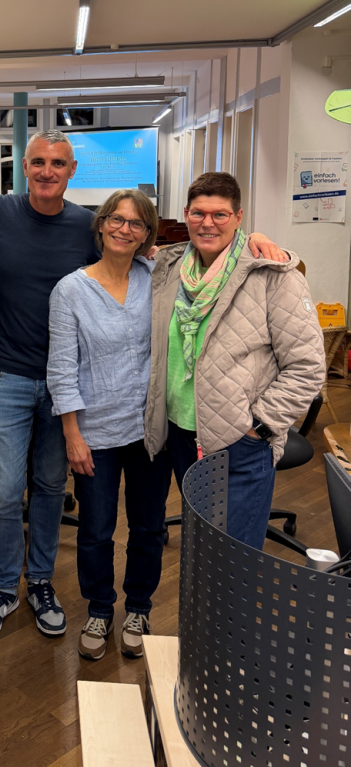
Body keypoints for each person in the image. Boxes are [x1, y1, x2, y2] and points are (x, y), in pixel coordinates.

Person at [0, 132, 282, 642]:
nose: (47, 171)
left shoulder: (97, 234)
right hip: (10, 379)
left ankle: (41, 581)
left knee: (49, 488)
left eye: (58, 164)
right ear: (24, 165)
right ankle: (4, 587)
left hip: (83, 394)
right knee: (3, 493)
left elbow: (189, 244)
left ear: (72, 172)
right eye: (38, 162)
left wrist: (257, 239)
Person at [144, 172, 326, 549]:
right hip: (181, 431)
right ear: (186, 214)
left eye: (220, 214)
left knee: (235, 560)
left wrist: (257, 426)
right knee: (201, 546)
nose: (207, 223)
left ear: (239, 218)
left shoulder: (274, 275)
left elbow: (307, 369)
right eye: (198, 213)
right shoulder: (171, 269)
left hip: (238, 440)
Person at [47, 190, 171, 660]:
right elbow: (61, 368)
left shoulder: (157, 278)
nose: (125, 229)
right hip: (94, 434)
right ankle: (100, 607)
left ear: (147, 235)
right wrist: (72, 434)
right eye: (116, 220)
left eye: (137, 224)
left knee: (148, 527)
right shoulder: (71, 290)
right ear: (100, 226)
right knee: (96, 530)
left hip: (150, 430)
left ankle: (139, 605)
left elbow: (212, 254)